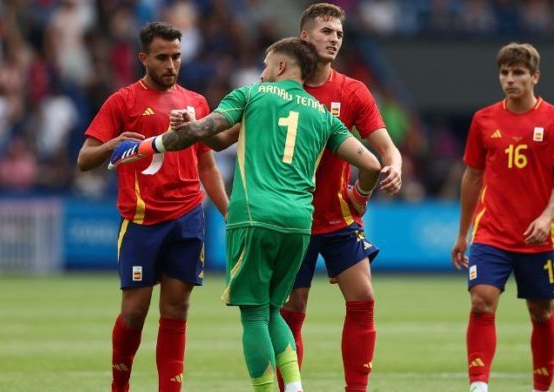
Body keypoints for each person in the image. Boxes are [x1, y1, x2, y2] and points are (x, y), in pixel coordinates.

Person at [108, 37, 383, 392]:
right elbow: (372, 164)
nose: (263, 72)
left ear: (281, 66)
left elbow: (207, 131)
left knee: (254, 313)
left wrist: (163, 138)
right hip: (300, 222)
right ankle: (295, 387)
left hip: (254, 216)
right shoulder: (321, 114)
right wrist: (359, 196)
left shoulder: (251, 94)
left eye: (266, 65)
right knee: (272, 310)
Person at [76, 21, 229, 392]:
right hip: (143, 222)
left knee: (176, 310)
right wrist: (112, 145)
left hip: (188, 217)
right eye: (162, 57)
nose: (171, 65)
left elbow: (206, 163)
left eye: (176, 56)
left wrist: (231, 213)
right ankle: (119, 385)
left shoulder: (196, 103)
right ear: (144, 58)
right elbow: (84, 159)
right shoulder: (122, 101)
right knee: (134, 313)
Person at [279, 4, 403, 391]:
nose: (334, 39)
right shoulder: (280, 89)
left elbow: (385, 146)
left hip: (338, 215)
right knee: (292, 309)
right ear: (305, 37)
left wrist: (393, 165)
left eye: (339, 34)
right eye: (326, 32)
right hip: (293, 217)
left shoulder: (352, 91)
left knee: (363, 296)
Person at [451, 42, 554, 392]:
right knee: (481, 301)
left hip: (538, 236)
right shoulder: (484, 119)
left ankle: (542, 388)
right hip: (491, 231)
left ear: (534, 76)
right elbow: (472, 176)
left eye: (518, 73)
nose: (509, 79)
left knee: (541, 312)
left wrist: (547, 217)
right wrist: (463, 233)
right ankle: (479, 386)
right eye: (504, 72)